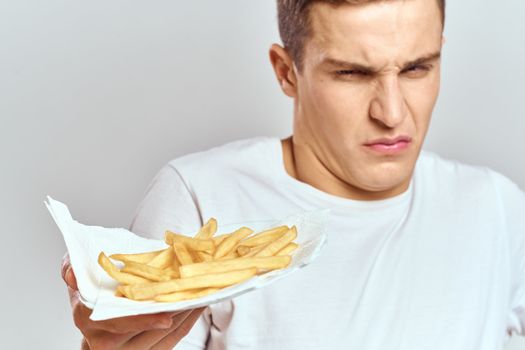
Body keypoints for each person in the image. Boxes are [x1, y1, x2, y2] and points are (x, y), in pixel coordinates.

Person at [61, 0, 525, 348]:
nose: (392, 112)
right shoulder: (201, 196)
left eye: (417, 68)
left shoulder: (498, 207)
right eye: (351, 74)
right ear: (286, 72)